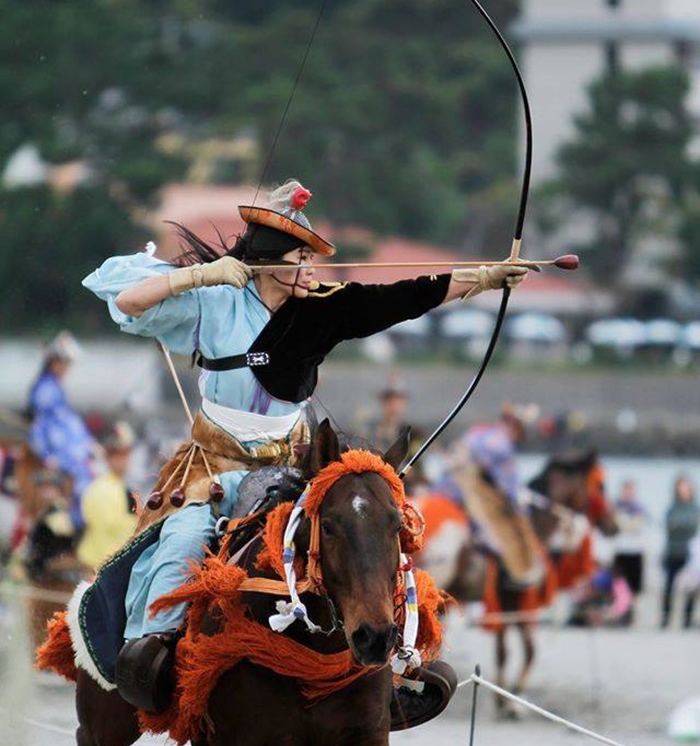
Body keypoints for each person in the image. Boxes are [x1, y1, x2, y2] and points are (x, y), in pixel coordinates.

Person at [77, 179, 528, 701]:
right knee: (181, 547)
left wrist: (487, 278)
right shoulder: (215, 302)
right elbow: (130, 302)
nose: (312, 269)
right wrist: (202, 275)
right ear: (270, 262)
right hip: (214, 468)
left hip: (292, 467)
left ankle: (397, 660)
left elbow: (401, 297)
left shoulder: (318, 311)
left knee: (367, 536)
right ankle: (152, 662)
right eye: (301, 257)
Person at [27, 332, 97, 531]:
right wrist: (47, 455)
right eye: (63, 363)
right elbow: (41, 427)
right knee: (81, 471)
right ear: (54, 363)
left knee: (87, 462)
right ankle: (78, 521)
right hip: (57, 446)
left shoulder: (54, 387)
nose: (66, 368)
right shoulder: (46, 390)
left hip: (66, 440)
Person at [77, 422, 139, 573]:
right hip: (103, 567)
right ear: (107, 457)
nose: (122, 460)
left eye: (125, 454)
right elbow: (110, 532)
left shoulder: (121, 486)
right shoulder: (102, 488)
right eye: (116, 455)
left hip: (110, 565)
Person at [660, 476, 700, 628]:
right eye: (680, 487)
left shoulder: (695, 508)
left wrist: (679, 525)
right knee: (668, 587)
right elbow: (669, 525)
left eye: (685, 487)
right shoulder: (672, 507)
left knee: (691, 588)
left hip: (690, 554)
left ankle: (687, 620)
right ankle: (665, 618)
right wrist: (682, 525)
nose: (683, 490)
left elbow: (692, 525)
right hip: (673, 552)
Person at [611, 478, 648, 597]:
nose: (628, 493)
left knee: (634, 589)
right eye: (626, 490)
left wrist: (622, 521)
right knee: (619, 586)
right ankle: (622, 611)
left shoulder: (639, 507)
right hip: (620, 551)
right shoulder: (615, 507)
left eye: (630, 490)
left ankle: (631, 612)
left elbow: (637, 527)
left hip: (636, 552)